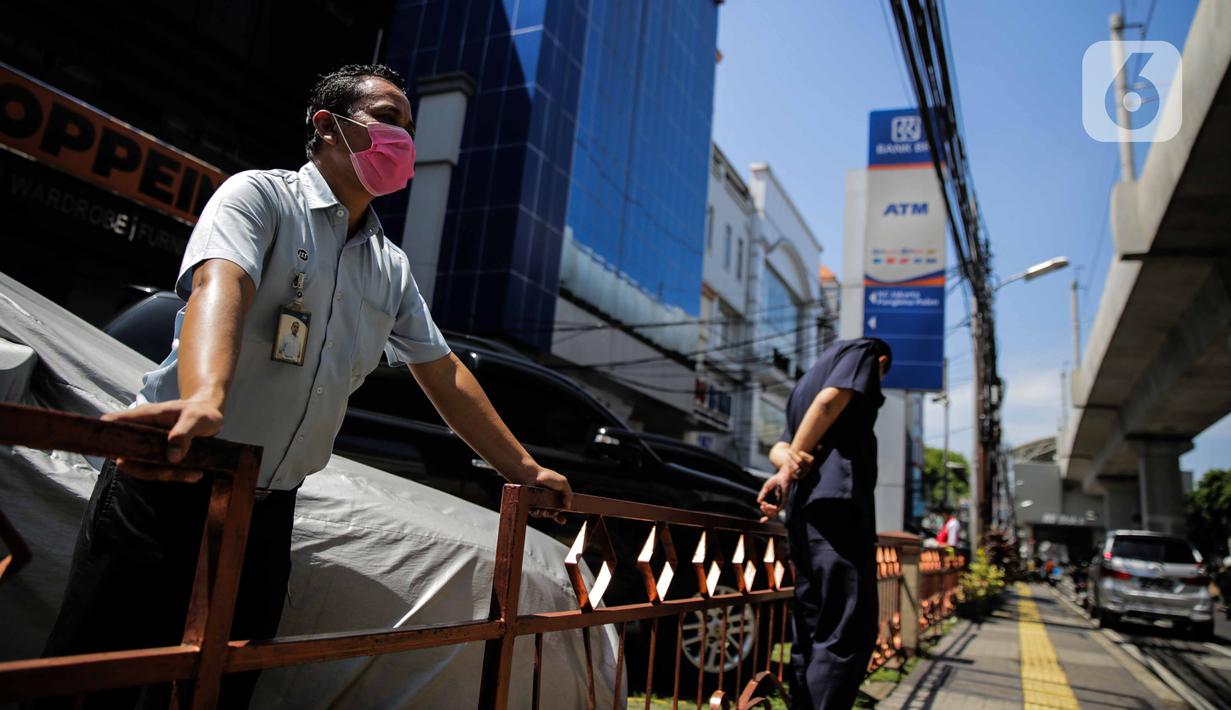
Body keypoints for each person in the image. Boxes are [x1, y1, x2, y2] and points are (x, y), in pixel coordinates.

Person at [42, 64, 572, 709]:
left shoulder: (390, 266)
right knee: (94, 681)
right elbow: (221, 284)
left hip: (265, 507)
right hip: (168, 481)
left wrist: (522, 467)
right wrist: (207, 395)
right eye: (386, 118)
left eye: (408, 126)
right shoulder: (259, 198)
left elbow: (443, 371)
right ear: (327, 126)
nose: (402, 138)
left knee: (219, 687)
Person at [757, 337, 892, 710]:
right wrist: (786, 473)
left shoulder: (804, 383)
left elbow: (779, 447)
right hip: (838, 505)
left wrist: (786, 464)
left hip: (805, 516)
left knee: (812, 625)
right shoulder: (865, 352)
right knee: (847, 629)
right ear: (880, 362)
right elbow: (830, 401)